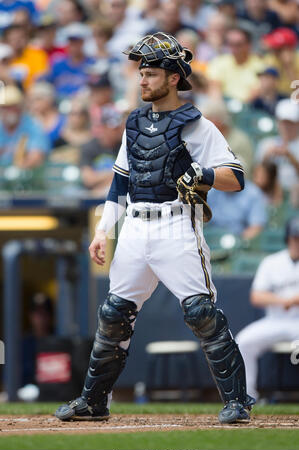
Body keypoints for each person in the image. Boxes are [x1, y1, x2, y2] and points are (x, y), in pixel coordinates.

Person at [55, 32, 255, 425]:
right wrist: (102, 232)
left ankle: (237, 402)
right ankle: (94, 402)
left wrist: (205, 173)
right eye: (140, 73)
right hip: (134, 227)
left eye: (150, 73)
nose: (142, 80)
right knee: (114, 314)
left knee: (201, 313)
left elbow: (236, 177)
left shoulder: (198, 125)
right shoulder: (133, 122)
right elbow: (119, 183)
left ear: (174, 78)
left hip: (177, 226)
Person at [236, 216, 299, 400]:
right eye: (295, 238)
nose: (297, 243)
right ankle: (247, 397)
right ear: (288, 239)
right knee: (243, 342)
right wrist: (284, 301)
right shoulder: (272, 262)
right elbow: (256, 296)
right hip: (275, 320)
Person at [206, 26, 264, 102]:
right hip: (223, 106)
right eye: (231, 44)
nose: (234, 49)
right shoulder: (218, 62)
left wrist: (241, 107)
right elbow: (214, 88)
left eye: (238, 45)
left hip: (250, 107)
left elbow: (257, 91)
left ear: (248, 45)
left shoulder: (260, 65)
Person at [0, 84, 50, 168]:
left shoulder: (33, 126)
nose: (8, 111)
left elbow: (36, 156)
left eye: (12, 107)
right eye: (4, 107)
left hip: (26, 177)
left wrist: (18, 169)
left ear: (20, 107)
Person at [255, 98, 299, 192]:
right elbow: (257, 178)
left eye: (290, 123)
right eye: (283, 123)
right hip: (268, 195)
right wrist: (266, 157)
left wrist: (291, 157)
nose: (286, 127)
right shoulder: (266, 144)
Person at [80, 106, 123, 196]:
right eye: (113, 128)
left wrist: (103, 185)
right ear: (103, 127)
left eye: (119, 127)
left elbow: (126, 178)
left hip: (116, 195)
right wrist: (114, 174)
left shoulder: (125, 147)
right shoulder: (89, 147)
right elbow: (89, 179)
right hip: (92, 197)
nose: (118, 131)